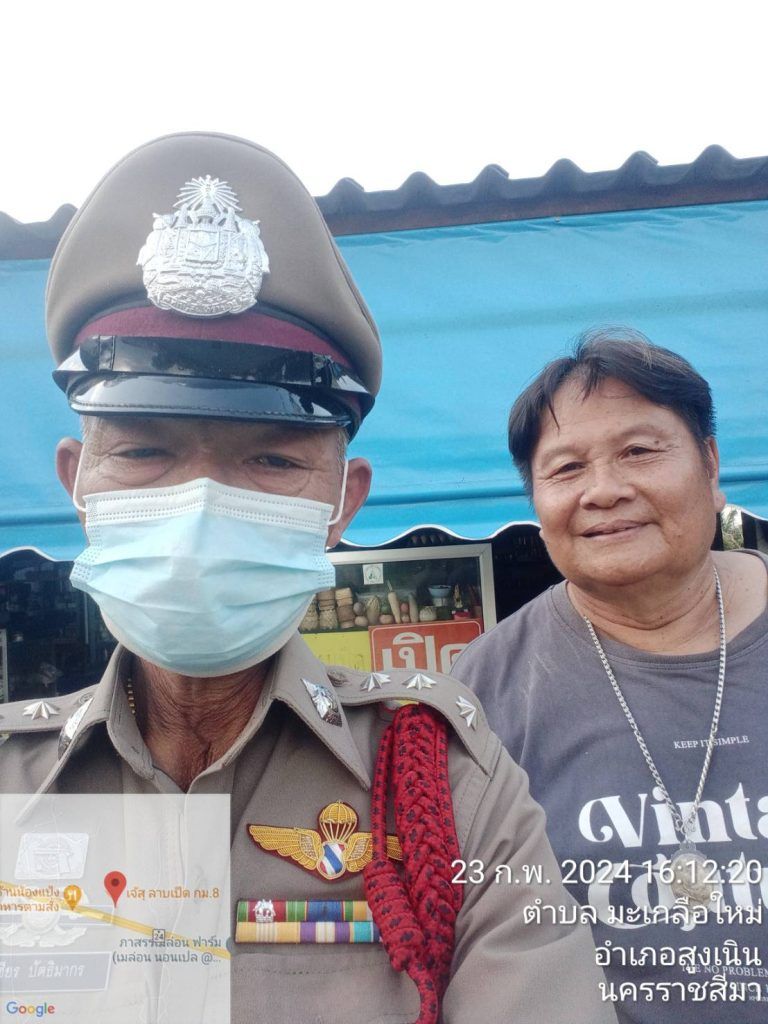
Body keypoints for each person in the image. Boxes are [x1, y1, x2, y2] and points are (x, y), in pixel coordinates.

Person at [0, 134, 614, 1024]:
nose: (201, 507)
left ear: (342, 502)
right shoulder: (11, 784)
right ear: (77, 483)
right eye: (142, 452)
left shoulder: (446, 785)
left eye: (273, 461)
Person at [452, 330, 768, 1022]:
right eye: (567, 469)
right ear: (537, 503)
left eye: (639, 452)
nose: (603, 491)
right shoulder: (480, 691)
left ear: (711, 464)